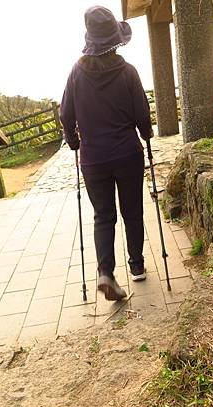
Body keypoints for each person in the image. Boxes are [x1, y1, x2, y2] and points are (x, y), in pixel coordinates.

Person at [60, 6, 153, 301]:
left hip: (93, 157)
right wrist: (146, 134)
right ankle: (137, 265)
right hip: (127, 152)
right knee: (132, 210)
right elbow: (142, 112)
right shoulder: (127, 72)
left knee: (103, 216)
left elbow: (65, 114)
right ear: (115, 39)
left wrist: (74, 141)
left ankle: (105, 272)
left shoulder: (76, 71)